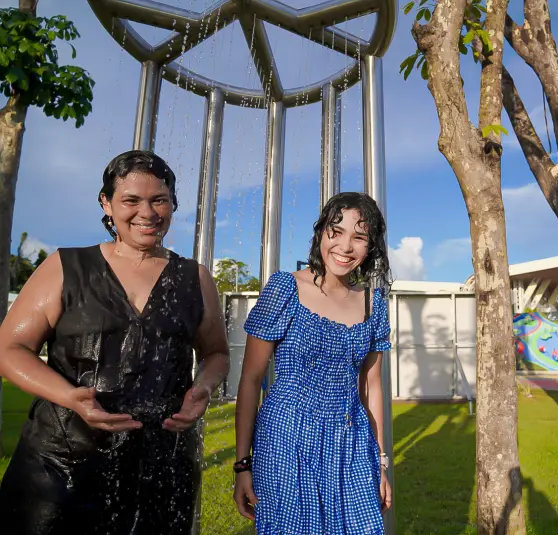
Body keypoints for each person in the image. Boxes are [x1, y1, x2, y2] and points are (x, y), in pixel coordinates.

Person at [0, 150, 230, 535]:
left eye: (159, 200)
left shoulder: (196, 277)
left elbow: (217, 353)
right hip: (62, 462)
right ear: (106, 203)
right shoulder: (65, 266)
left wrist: (204, 386)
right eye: (131, 200)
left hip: (161, 469)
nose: (148, 212)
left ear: (173, 204)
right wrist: (71, 397)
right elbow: (10, 348)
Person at [233, 191, 393, 534]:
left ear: (371, 247)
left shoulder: (373, 304)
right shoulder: (284, 288)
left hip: (350, 442)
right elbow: (250, 379)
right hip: (285, 441)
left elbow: (371, 385)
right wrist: (242, 464)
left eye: (359, 237)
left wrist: (380, 461)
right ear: (321, 233)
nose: (346, 246)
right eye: (336, 231)